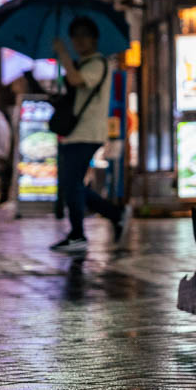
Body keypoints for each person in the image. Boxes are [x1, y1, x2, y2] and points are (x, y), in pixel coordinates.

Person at [49, 17, 128, 254]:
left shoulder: (97, 64)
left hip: (87, 133)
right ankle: (115, 214)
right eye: (75, 35)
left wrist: (62, 54)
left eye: (84, 35)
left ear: (94, 39)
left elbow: (75, 80)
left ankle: (78, 235)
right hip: (74, 133)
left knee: (71, 184)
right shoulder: (81, 63)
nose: (79, 40)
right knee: (71, 184)